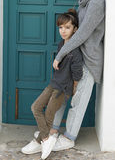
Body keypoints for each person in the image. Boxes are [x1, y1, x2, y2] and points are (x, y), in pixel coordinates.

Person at [50, 0, 105, 151]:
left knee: (78, 101)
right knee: (64, 95)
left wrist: (60, 55)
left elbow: (82, 34)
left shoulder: (97, 3)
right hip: (77, 57)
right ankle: (53, 131)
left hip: (89, 60)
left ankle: (69, 137)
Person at [21, 9, 83, 159]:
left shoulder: (75, 52)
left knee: (49, 113)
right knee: (35, 107)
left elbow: (78, 73)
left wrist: (73, 87)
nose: (63, 31)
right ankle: (46, 139)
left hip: (62, 89)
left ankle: (39, 141)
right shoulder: (62, 44)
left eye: (67, 27)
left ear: (75, 29)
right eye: (61, 27)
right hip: (53, 84)